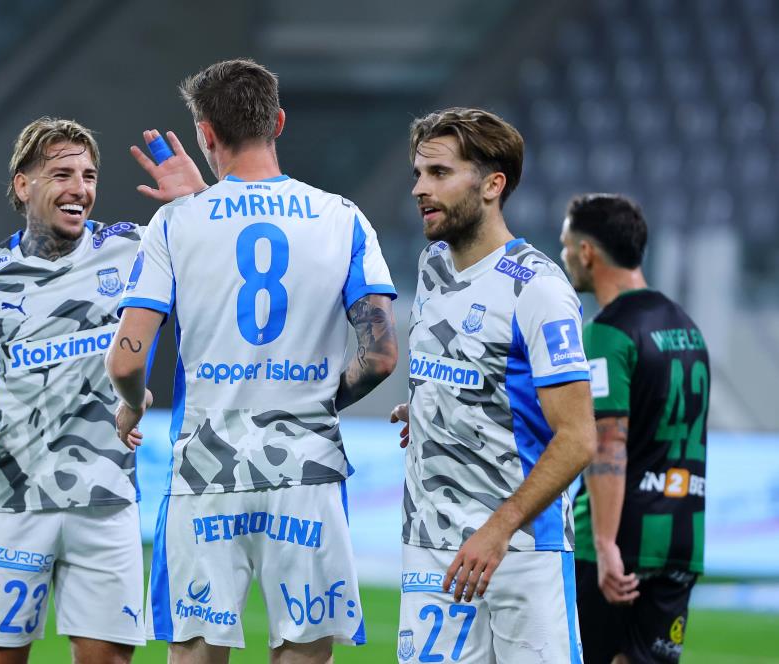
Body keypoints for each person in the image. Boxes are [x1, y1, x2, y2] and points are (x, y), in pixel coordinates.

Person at [105, 58, 399, 663]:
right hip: (307, 471)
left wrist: (132, 406)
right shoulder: (343, 218)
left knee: (196, 650)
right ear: (279, 122)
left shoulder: (175, 223)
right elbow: (380, 355)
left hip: (205, 472)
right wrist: (317, 400)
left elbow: (126, 362)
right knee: (303, 650)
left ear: (206, 133)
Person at [0, 117, 155, 663]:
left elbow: (207, 246)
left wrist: (190, 196)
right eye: (62, 174)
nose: (79, 188)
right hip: (14, 496)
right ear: (23, 184)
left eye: (89, 175)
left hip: (105, 496)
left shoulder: (130, 249)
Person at [390, 107, 595, 663]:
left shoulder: (539, 289)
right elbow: (479, 376)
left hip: (519, 550)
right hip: (431, 544)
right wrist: (432, 408)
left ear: (491, 185)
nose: (419, 188)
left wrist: (498, 529)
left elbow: (578, 438)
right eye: (418, 173)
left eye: (439, 173)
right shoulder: (432, 266)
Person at [560, 194, 709, 664]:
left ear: (587, 252)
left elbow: (608, 443)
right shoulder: (686, 327)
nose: (564, 256)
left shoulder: (607, 332)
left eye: (566, 246)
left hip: (620, 540)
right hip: (682, 535)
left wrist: (605, 544)